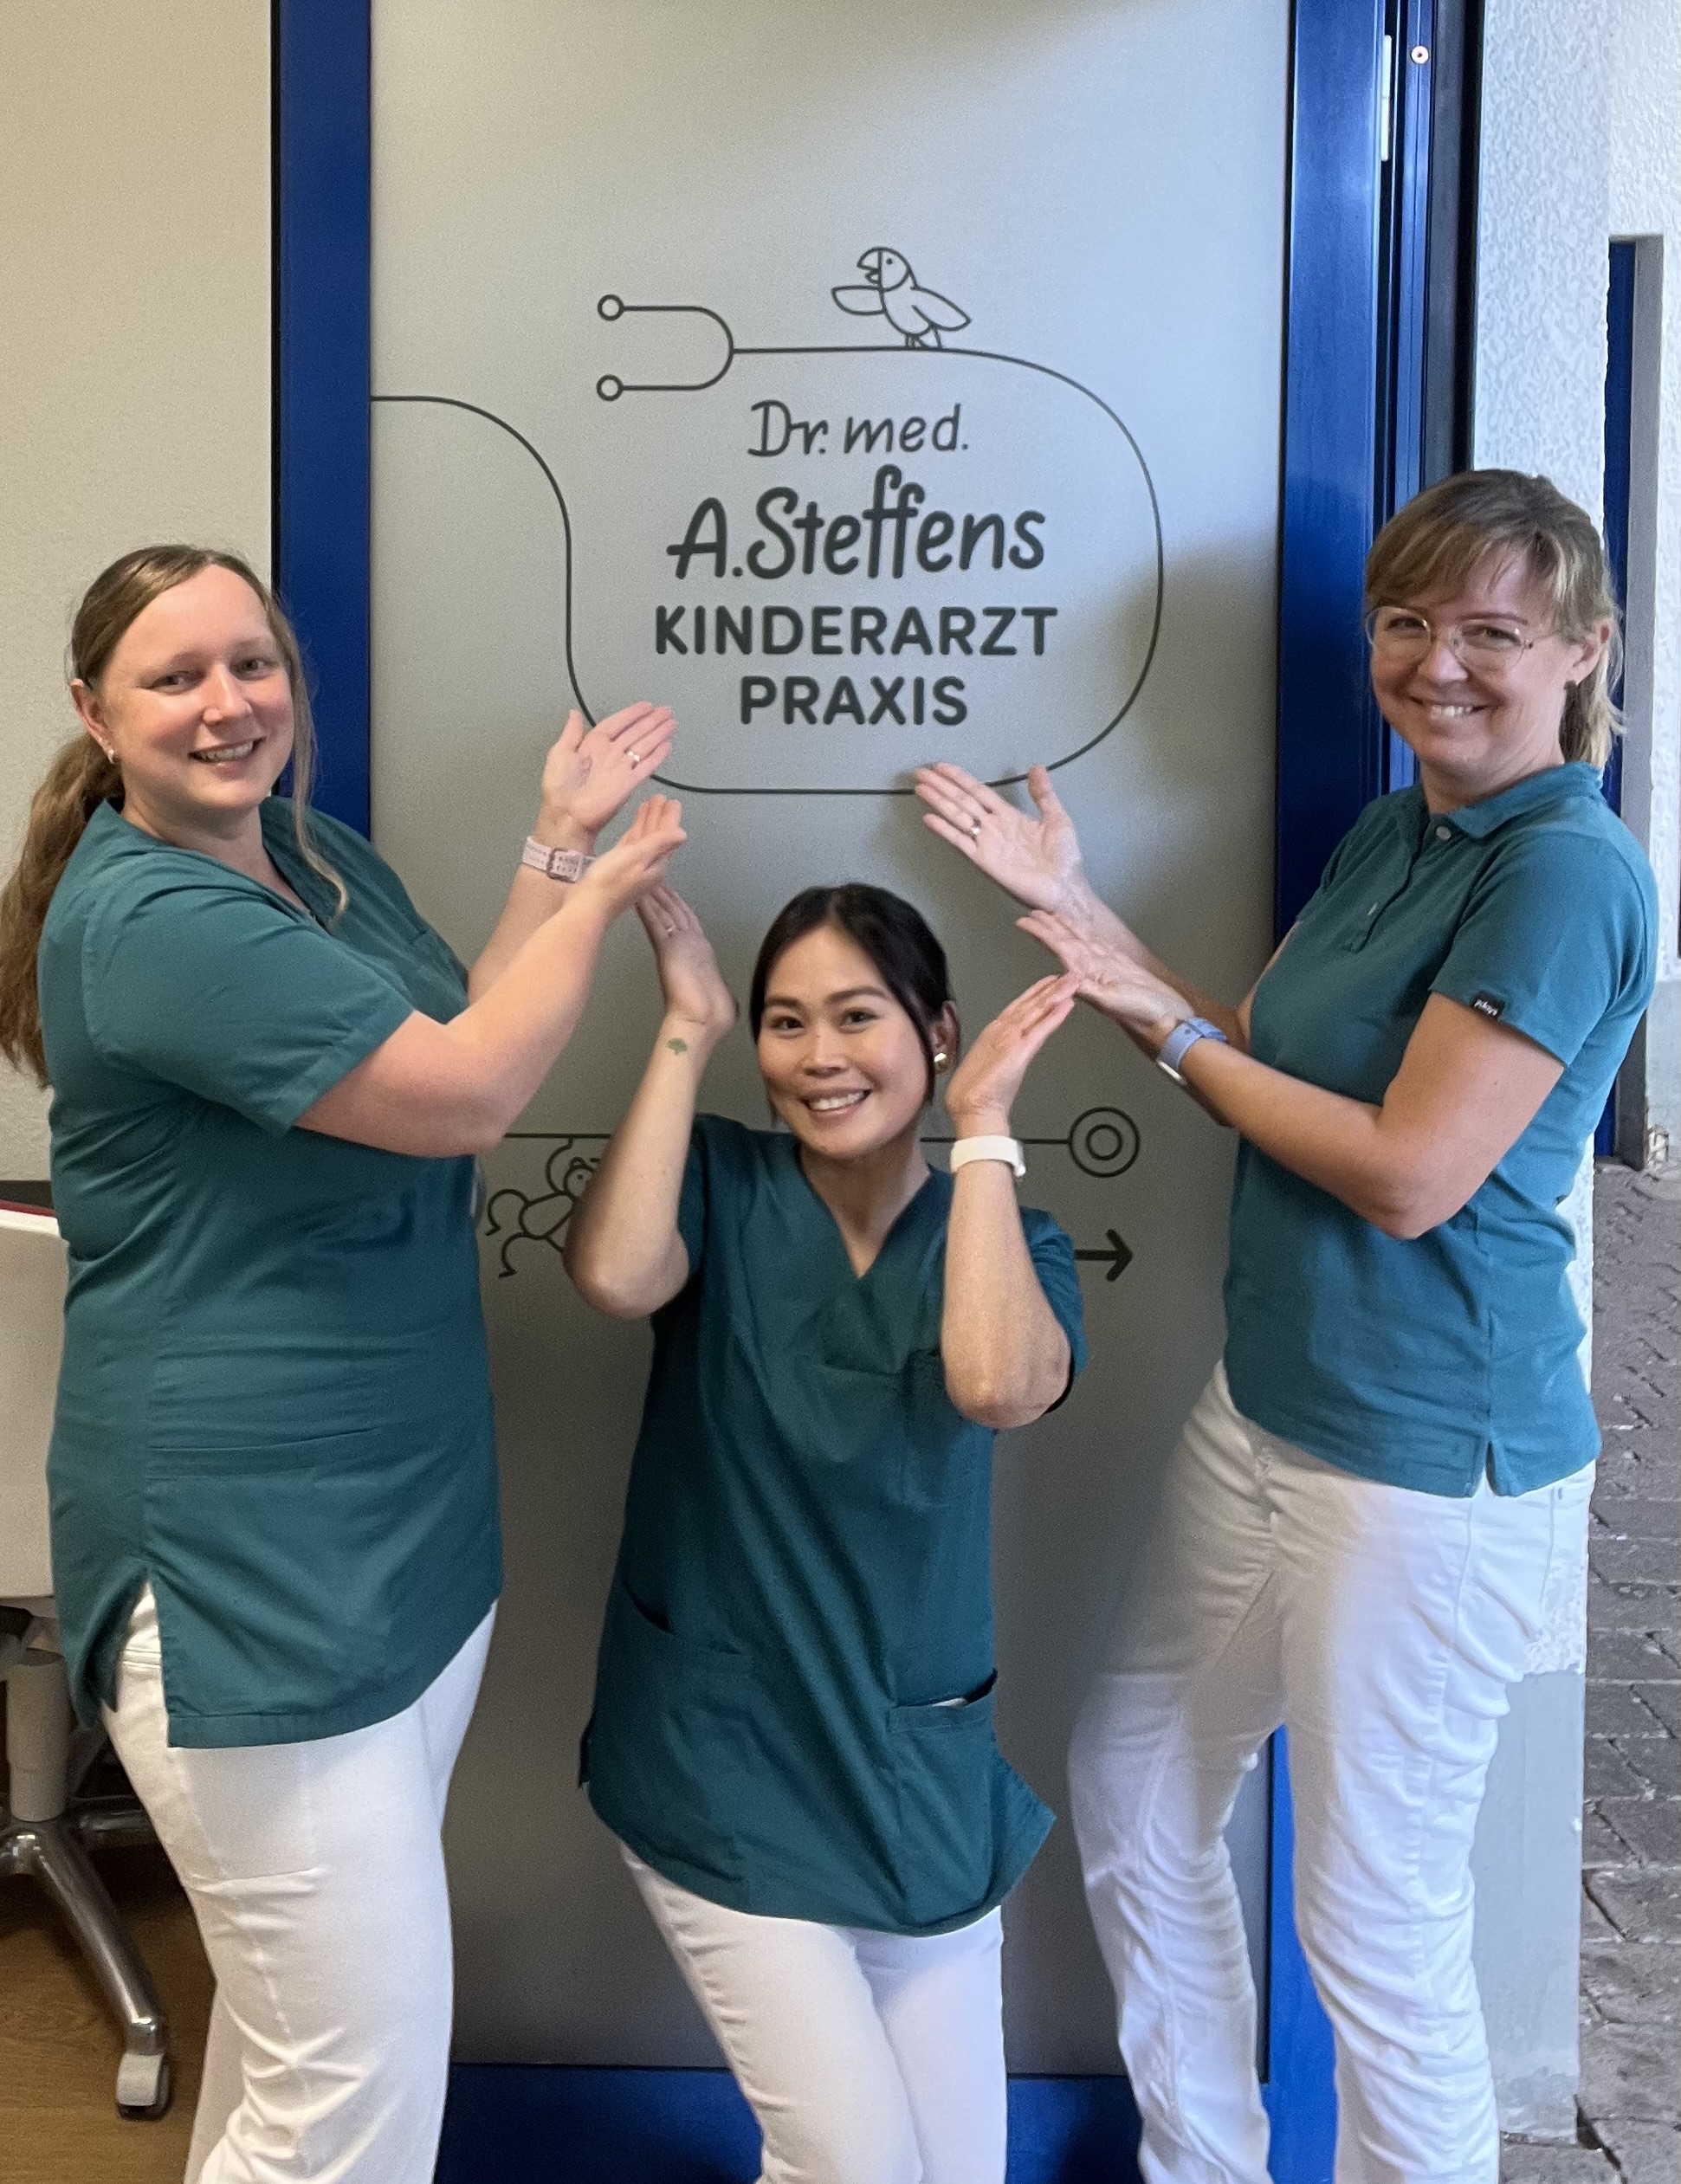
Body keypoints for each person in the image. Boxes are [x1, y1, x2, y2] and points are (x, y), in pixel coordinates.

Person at [914, 469, 1658, 2184]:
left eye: (1488, 631)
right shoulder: (1399, 831)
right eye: (1406, 621)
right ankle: (1205, 2161)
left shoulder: (1562, 873)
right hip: (1271, 1410)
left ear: (1580, 650)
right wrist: (1075, 914)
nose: (1437, 663)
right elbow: (1252, 1047)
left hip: (1423, 1468)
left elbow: (1404, 1173)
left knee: (1375, 1929)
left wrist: (1174, 1042)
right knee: (1132, 1779)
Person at [0, 543, 684, 2183]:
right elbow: (469, 1098)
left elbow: (456, 1026)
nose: (227, 703)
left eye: (252, 662)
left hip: (398, 1524)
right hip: (248, 1571)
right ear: (95, 710)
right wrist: (601, 900)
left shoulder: (309, 853)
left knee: (296, 2053)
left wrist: (555, 844)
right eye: (174, 676)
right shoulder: (153, 918)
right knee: (351, 2100)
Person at [564, 881, 1089, 2184]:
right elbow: (615, 1275)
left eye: (857, 1016)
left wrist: (983, 1131)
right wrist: (687, 1024)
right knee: (854, 2164)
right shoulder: (719, 1183)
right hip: (724, 1760)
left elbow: (996, 1382)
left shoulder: (1012, 1237)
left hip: (912, 1777)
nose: (818, 1056)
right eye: (785, 1022)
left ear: (937, 1031)